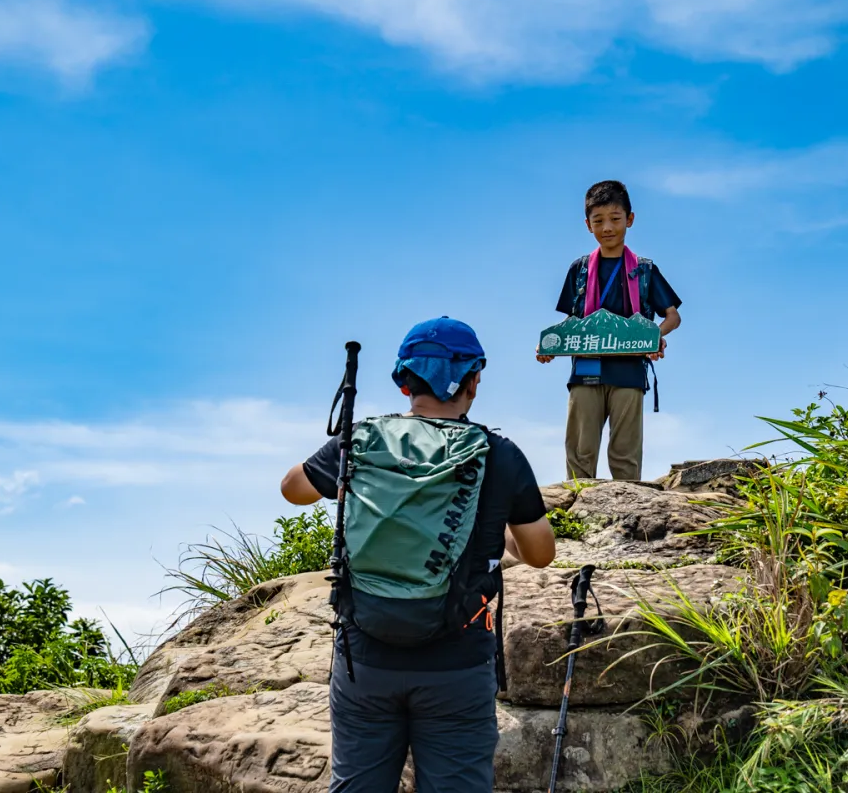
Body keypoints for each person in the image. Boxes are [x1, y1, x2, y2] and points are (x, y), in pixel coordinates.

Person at [280, 316, 556, 793]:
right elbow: (540, 554)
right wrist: (498, 531)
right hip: (457, 663)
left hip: (363, 656)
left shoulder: (362, 439)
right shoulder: (498, 453)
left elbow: (293, 490)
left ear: (405, 381)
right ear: (472, 381)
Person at [537, 180, 683, 481]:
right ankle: (577, 513)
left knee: (625, 451)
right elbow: (570, 322)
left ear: (629, 219)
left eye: (615, 219)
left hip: (629, 370)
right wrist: (548, 346)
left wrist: (655, 337)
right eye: (598, 220)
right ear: (588, 225)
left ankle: (628, 512)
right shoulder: (580, 269)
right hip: (585, 371)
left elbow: (672, 316)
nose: (607, 227)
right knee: (580, 448)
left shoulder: (644, 269)